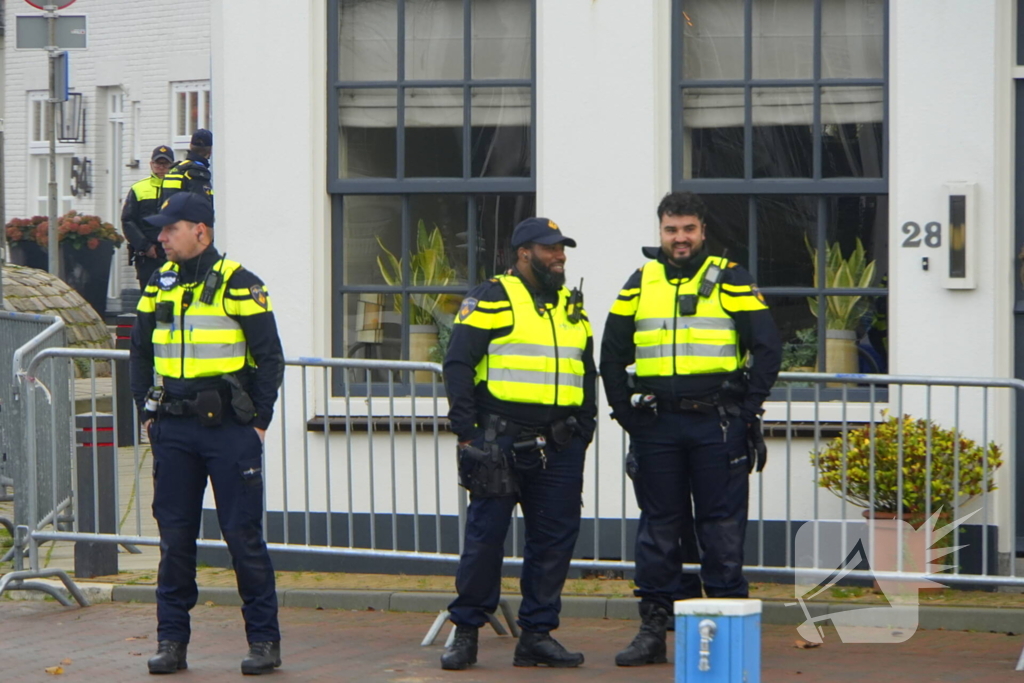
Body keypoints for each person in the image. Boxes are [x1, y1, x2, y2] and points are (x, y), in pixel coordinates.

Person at [601, 191, 781, 667]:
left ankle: (725, 640)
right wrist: (626, 415)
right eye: (670, 230)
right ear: (660, 231)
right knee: (659, 530)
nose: (679, 239)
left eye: (687, 230)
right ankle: (653, 632)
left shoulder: (731, 278)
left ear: (702, 230)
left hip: (716, 424)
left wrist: (748, 413)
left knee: (720, 532)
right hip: (657, 426)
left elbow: (768, 348)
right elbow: (611, 353)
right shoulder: (640, 281)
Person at [129, 192, 285, 676]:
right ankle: (171, 642)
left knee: (243, 539)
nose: (160, 237)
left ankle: (264, 642)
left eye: (170, 229)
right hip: (173, 430)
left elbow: (270, 358)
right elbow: (139, 351)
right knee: (175, 542)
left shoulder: (239, 283)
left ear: (201, 230)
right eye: (160, 230)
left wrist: (258, 423)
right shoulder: (161, 282)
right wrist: (146, 414)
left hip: (228, 434)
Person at [440, 217, 597, 671]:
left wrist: (583, 430)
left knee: (553, 542)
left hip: (560, 444)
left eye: (562, 249)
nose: (560, 256)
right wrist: (467, 430)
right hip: (501, 439)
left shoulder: (571, 304)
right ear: (524, 253)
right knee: (486, 539)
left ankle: (537, 635)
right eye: (550, 249)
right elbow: (457, 363)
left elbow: (586, 370)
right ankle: (466, 631)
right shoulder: (492, 296)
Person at [122, 145, 174, 288]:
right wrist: (145, 246)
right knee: (148, 299)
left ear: (172, 166)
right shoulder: (138, 189)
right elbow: (128, 220)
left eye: (165, 164)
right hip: (147, 257)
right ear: (151, 164)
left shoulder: (179, 188)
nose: (161, 167)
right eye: (158, 163)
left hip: (173, 254)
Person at [161, 129, 213, 201]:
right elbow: (201, 207)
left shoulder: (174, 170)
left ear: (190, 146)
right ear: (210, 151)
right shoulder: (198, 173)